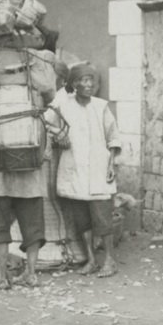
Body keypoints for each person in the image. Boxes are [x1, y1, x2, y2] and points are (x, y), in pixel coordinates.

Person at [0, 57, 56, 290]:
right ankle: (31, 273)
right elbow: (45, 150)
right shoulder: (35, 101)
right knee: (33, 229)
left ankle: (2, 277)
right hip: (31, 181)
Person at [48, 61, 121, 278]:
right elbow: (46, 122)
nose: (89, 85)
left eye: (92, 81)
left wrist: (111, 166)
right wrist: (58, 135)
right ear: (74, 84)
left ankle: (109, 260)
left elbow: (113, 138)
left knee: (103, 219)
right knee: (82, 220)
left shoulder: (101, 106)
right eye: (84, 80)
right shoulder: (63, 105)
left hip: (99, 169)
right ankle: (91, 259)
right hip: (74, 169)